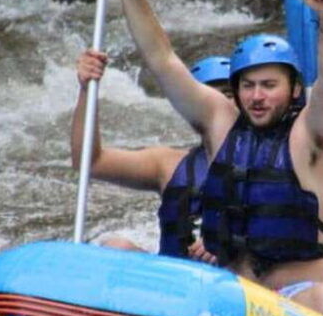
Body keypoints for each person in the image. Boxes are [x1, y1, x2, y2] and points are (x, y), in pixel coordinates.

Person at [112, 0, 323, 316]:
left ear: (293, 89)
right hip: (228, 296)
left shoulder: (312, 134)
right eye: (248, 86)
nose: (257, 96)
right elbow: (162, 61)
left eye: (269, 85)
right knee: (116, 247)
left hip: (293, 299)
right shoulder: (221, 124)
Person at [70, 50, 231, 258]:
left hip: (237, 279)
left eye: (227, 96)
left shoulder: (273, 159)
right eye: (208, 98)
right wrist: (86, 89)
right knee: (116, 247)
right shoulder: (168, 164)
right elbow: (90, 161)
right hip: (177, 276)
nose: (217, 107)